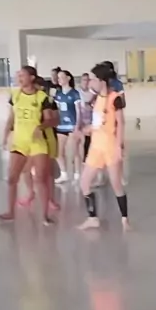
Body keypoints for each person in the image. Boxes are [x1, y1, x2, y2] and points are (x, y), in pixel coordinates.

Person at [0, 66, 58, 224]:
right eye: (18, 75)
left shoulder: (42, 97)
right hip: (19, 142)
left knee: (40, 179)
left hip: (37, 143)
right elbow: (11, 118)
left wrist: (41, 127)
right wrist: (5, 135)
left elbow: (51, 120)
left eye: (22, 75)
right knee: (12, 178)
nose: (19, 78)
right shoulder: (15, 95)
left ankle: (45, 215)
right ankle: (10, 212)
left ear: (31, 78)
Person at [79, 62, 129, 232]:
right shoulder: (96, 99)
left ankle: (124, 219)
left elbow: (120, 123)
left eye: (93, 79)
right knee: (85, 183)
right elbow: (98, 122)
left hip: (110, 146)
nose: (90, 82)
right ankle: (92, 218)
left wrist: (119, 146)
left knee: (116, 184)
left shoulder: (115, 98)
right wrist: (88, 129)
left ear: (101, 81)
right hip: (96, 147)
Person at [54, 70, 81, 183]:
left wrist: (77, 125)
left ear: (68, 78)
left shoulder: (74, 93)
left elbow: (79, 111)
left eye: (61, 77)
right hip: (61, 126)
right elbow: (57, 110)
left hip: (72, 125)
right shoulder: (58, 94)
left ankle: (77, 174)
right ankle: (64, 174)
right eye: (58, 78)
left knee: (75, 151)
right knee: (58, 152)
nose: (59, 79)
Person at [77, 72, 95, 165]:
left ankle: (87, 158)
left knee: (89, 141)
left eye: (88, 80)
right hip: (80, 120)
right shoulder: (77, 93)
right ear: (81, 81)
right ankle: (81, 160)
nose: (86, 82)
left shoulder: (93, 93)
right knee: (80, 142)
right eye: (84, 80)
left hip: (91, 120)